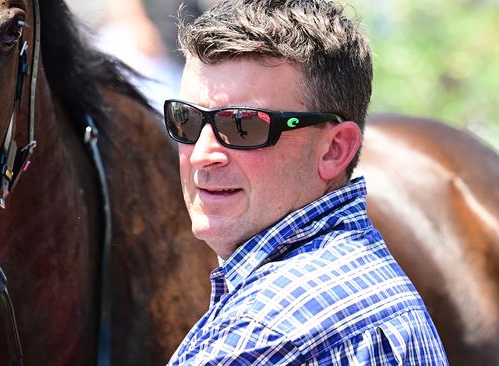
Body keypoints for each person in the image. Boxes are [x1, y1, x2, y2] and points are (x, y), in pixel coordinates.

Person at [163, 0, 448, 364]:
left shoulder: (264, 332)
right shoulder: (377, 282)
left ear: (334, 150)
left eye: (243, 125)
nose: (203, 153)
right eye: (185, 120)